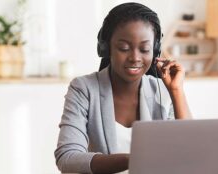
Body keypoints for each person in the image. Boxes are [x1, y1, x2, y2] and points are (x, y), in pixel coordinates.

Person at [54, 2, 191, 174]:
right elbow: (67, 157)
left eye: (144, 49)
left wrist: (176, 91)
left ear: (155, 51)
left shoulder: (162, 90)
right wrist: (134, 159)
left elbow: (189, 153)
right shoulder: (84, 89)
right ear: (106, 48)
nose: (135, 57)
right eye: (124, 48)